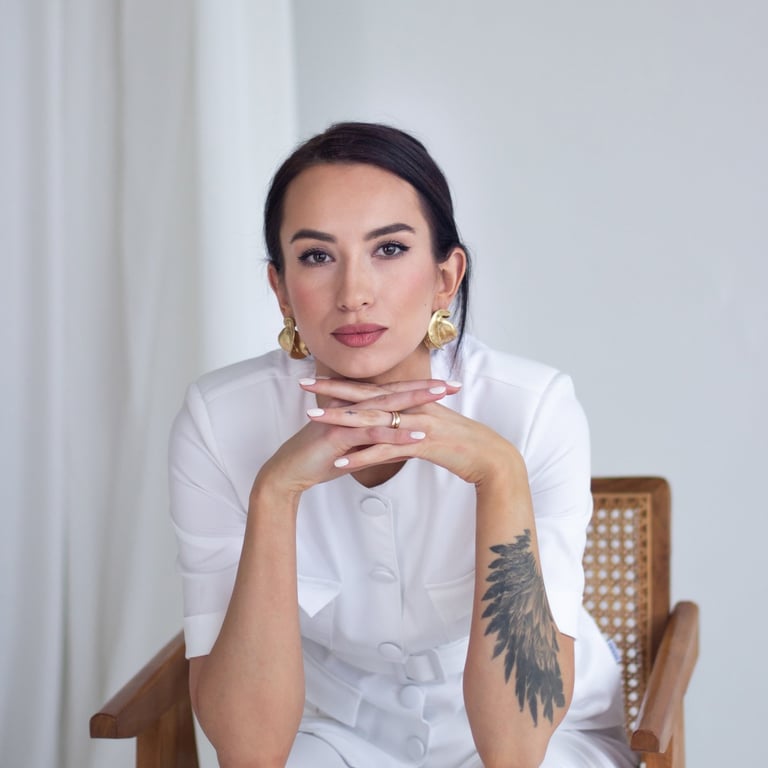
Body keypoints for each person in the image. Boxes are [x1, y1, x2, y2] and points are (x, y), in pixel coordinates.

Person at [169, 122, 636, 768]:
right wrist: (275, 492)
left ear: (446, 277)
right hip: (333, 732)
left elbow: (516, 748)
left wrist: (500, 473)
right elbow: (249, 753)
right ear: (280, 289)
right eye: (317, 256)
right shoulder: (220, 421)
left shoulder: (532, 410)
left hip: (538, 736)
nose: (354, 294)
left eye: (389, 249)